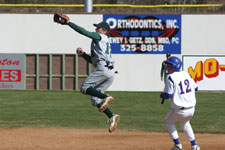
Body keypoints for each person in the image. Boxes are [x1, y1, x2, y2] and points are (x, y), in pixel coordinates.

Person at [55, 14, 120, 133]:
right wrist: (83, 54)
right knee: (95, 100)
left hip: (104, 68)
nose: (96, 29)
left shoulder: (100, 37)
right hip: (109, 71)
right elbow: (94, 61)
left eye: (98, 28)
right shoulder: (104, 42)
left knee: (85, 88)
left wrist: (69, 23)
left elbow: (84, 32)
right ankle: (112, 116)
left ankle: (106, 97)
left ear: (104, 31)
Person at [160, 56, 200, 150]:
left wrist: (162, 95)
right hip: (192, 109)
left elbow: (168, 95)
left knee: (168, 121)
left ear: (174, 67)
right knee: (185, 123)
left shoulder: (170, 77)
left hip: (179, 110)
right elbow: (196, 88)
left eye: (169, 65)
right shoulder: (186, 74)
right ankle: (194, 145)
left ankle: (177, 145)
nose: (167, 67)